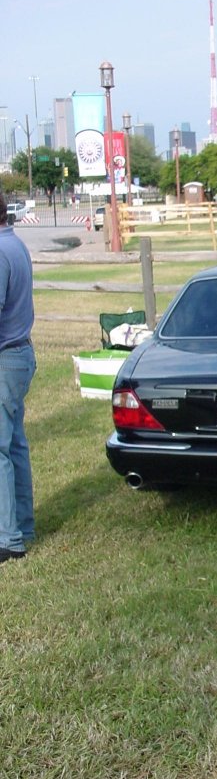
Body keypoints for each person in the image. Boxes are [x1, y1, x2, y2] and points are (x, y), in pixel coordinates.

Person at [0, 194, 36, 563]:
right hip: (20, 352)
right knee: (14, 445)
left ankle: (9, 539)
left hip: (5, 357)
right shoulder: (15, 244)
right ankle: (22, 526)